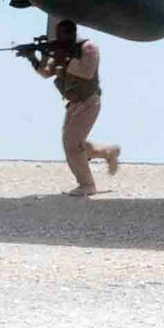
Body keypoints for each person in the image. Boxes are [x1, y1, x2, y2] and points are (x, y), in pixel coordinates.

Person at [32, 19, 119, 196]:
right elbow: (46, 73)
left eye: (64, 35)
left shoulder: (88, 49)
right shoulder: (61, 52)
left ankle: (87, 185)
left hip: (89, 101)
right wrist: (34, 59)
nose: (61, 39)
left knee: (71, 143)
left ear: (72, 34)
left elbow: (87, 73)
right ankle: (108, 152)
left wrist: (63, 59)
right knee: (75, 142)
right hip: (73, 104)